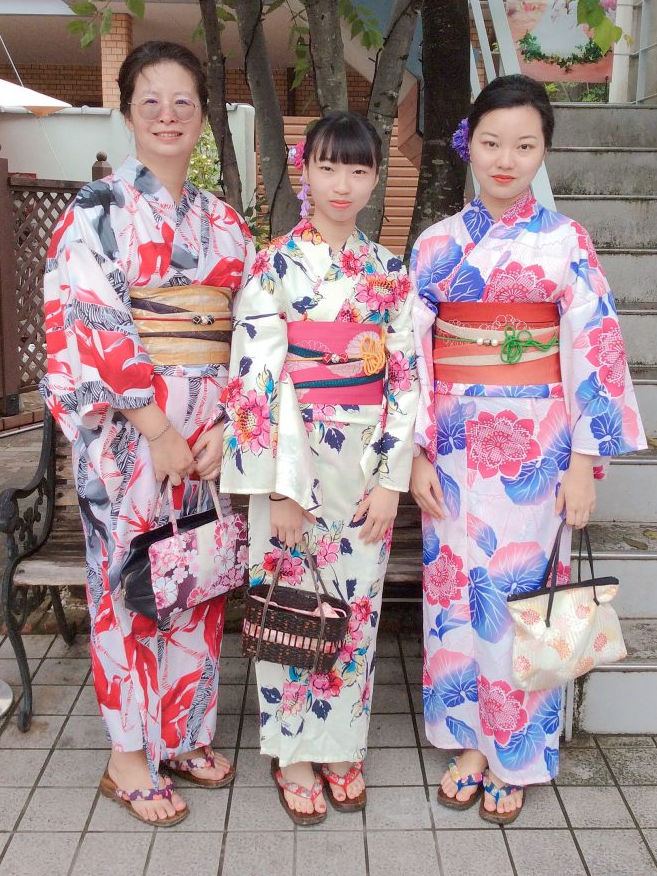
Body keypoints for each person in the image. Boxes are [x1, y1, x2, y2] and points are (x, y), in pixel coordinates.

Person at [409, 75, 646, 824]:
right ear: (468, 145)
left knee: (522, 597)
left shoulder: (565, 241)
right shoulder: (437, 244)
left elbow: (594, 350)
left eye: (524, 145)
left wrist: (582, 464)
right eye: (491, 143)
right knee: (454, 594)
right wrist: (413, 453)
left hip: (536, 450)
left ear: (543, 151)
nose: (505, 159)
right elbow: (408, 355)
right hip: (450, 445)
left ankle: (515, 752)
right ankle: (469, 743)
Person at [41, 41, 254, 826]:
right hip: (131, 434)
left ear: (203, 115)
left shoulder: (225, 223)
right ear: (126, 112)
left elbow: (254, 332)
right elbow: (92, 322)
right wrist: (156, 427)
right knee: (129, 584)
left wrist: (232, 421)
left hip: (206, 433)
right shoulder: (95, 211)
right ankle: (127, 754)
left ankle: (182, 733)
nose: (168, 115)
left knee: (195, 574)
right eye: (150, 101)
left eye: (183, 102)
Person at [220, 111, 418, 825]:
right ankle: (292, 753)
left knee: (355, 609)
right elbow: (257, 379)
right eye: (328, 167)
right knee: (289, 606)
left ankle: (339, 745)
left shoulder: (389, 272)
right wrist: (280, 489)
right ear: (305, 172)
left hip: (361, 465)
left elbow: (406, 379)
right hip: (290, 461)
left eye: (358, 169)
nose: (342, 183)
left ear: (375, 178)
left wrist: (391, 481)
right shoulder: (273, 263)